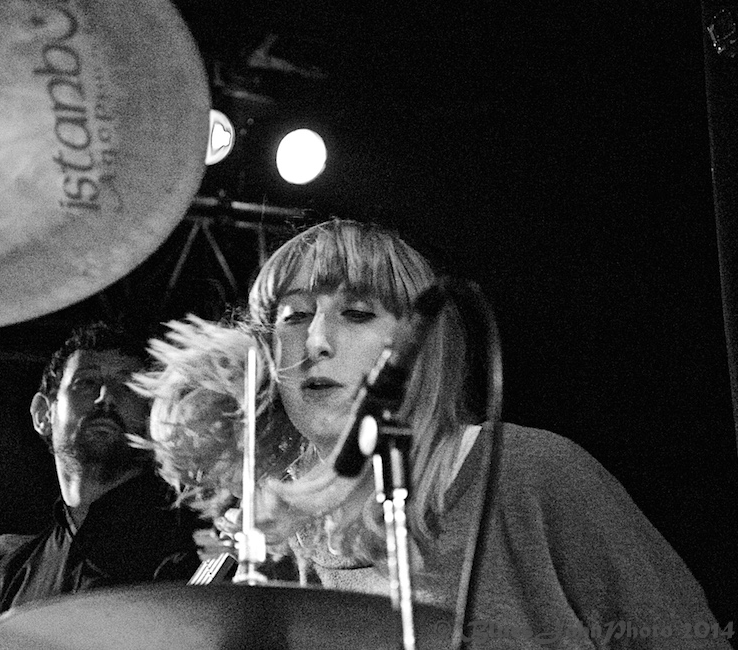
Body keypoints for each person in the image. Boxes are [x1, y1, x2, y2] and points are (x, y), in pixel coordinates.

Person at [135, 218, 731, 648]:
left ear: (419, 347)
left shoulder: (532, 474)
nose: (315, 340)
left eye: (358, 312)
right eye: (293, 317)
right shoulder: (277, 545)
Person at [0, 323, 203, 649]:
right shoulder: (10, 576)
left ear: (154, 417)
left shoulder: (195, 542)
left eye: (129, 386)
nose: (107, 396)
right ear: (43, 414)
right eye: (87, 382)